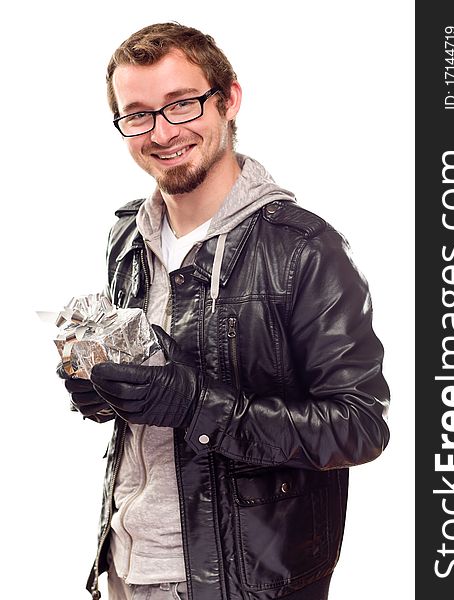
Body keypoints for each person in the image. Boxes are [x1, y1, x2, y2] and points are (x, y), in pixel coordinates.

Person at [60, 22, 390, 600]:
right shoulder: (127, 237)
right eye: (137, 114)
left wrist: (197, 405)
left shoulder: (303, 248)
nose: (162, 133)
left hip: (241, 583)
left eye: (181, 104)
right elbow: (149, 383)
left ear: (229, 98)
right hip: (125, 565)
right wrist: (103, 391)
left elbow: (358, 428)